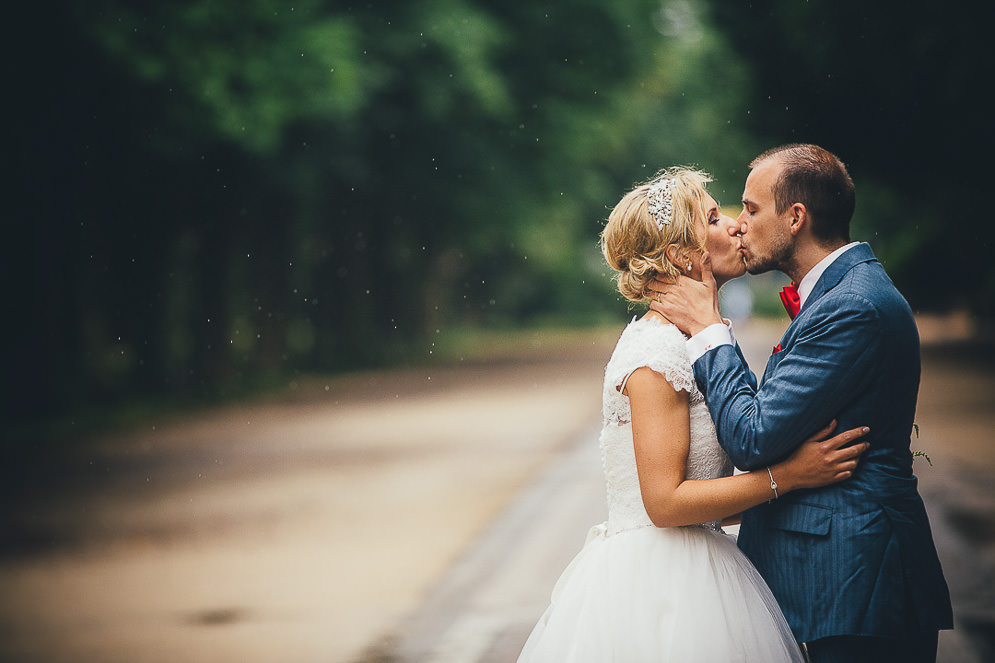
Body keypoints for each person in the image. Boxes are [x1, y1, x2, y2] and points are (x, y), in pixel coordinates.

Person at [516, 167, 869, 662]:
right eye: (713, 217)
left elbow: (708, 498)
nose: (734, 226)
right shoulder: (656, 351)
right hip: (657, 585)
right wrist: (786, 477)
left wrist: (810, 482)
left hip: (706, 564)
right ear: (682, 255)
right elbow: (664, 504)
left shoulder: (696, 342)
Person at [649, 145, 953, 662]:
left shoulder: (852, 305)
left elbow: (754, 435)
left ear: (795, 218)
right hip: (838, 584)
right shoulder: (839, 294)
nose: (740, 225)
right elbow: (770, 413)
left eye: (750, 208)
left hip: (856, 581)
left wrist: (706, 329)